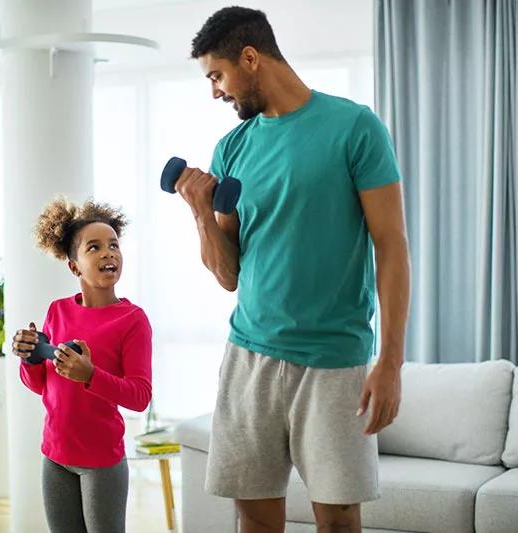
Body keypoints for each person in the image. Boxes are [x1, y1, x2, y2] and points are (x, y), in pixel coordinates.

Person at [175, 7, 411, 532]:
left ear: (251, 58)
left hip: (333, 360)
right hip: (249, 357)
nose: (215, 91)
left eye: (217, 75)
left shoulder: (354, 127)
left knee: (337, 520)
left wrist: (390, 361)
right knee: (254, 517)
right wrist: (200, 214)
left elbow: (391, 245)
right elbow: (228, 273)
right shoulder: (233, 147)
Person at [11, 197, 152, 533]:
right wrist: (30, 358)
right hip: (55, 456)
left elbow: (140, 396)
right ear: (74, 266)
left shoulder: (132, 320)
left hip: (102, 462)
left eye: (114, 245)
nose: (109, 253)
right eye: (94, 247)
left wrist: (90, 375)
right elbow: (42, 385)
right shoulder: (57, 311)